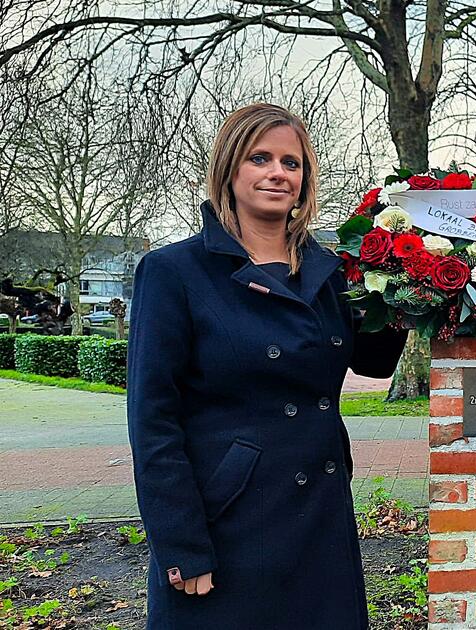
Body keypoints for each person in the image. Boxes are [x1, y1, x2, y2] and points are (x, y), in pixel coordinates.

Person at [127, 103, 406, 628]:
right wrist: (181, 542)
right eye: (261, 158)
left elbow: (372, 360)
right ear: (230, 169)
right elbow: (153, 420)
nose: (279, 173)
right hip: (228, 519)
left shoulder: (329, 270)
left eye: (292, 162)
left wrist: (409, 286)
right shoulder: (174, 272)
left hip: (319, 514)